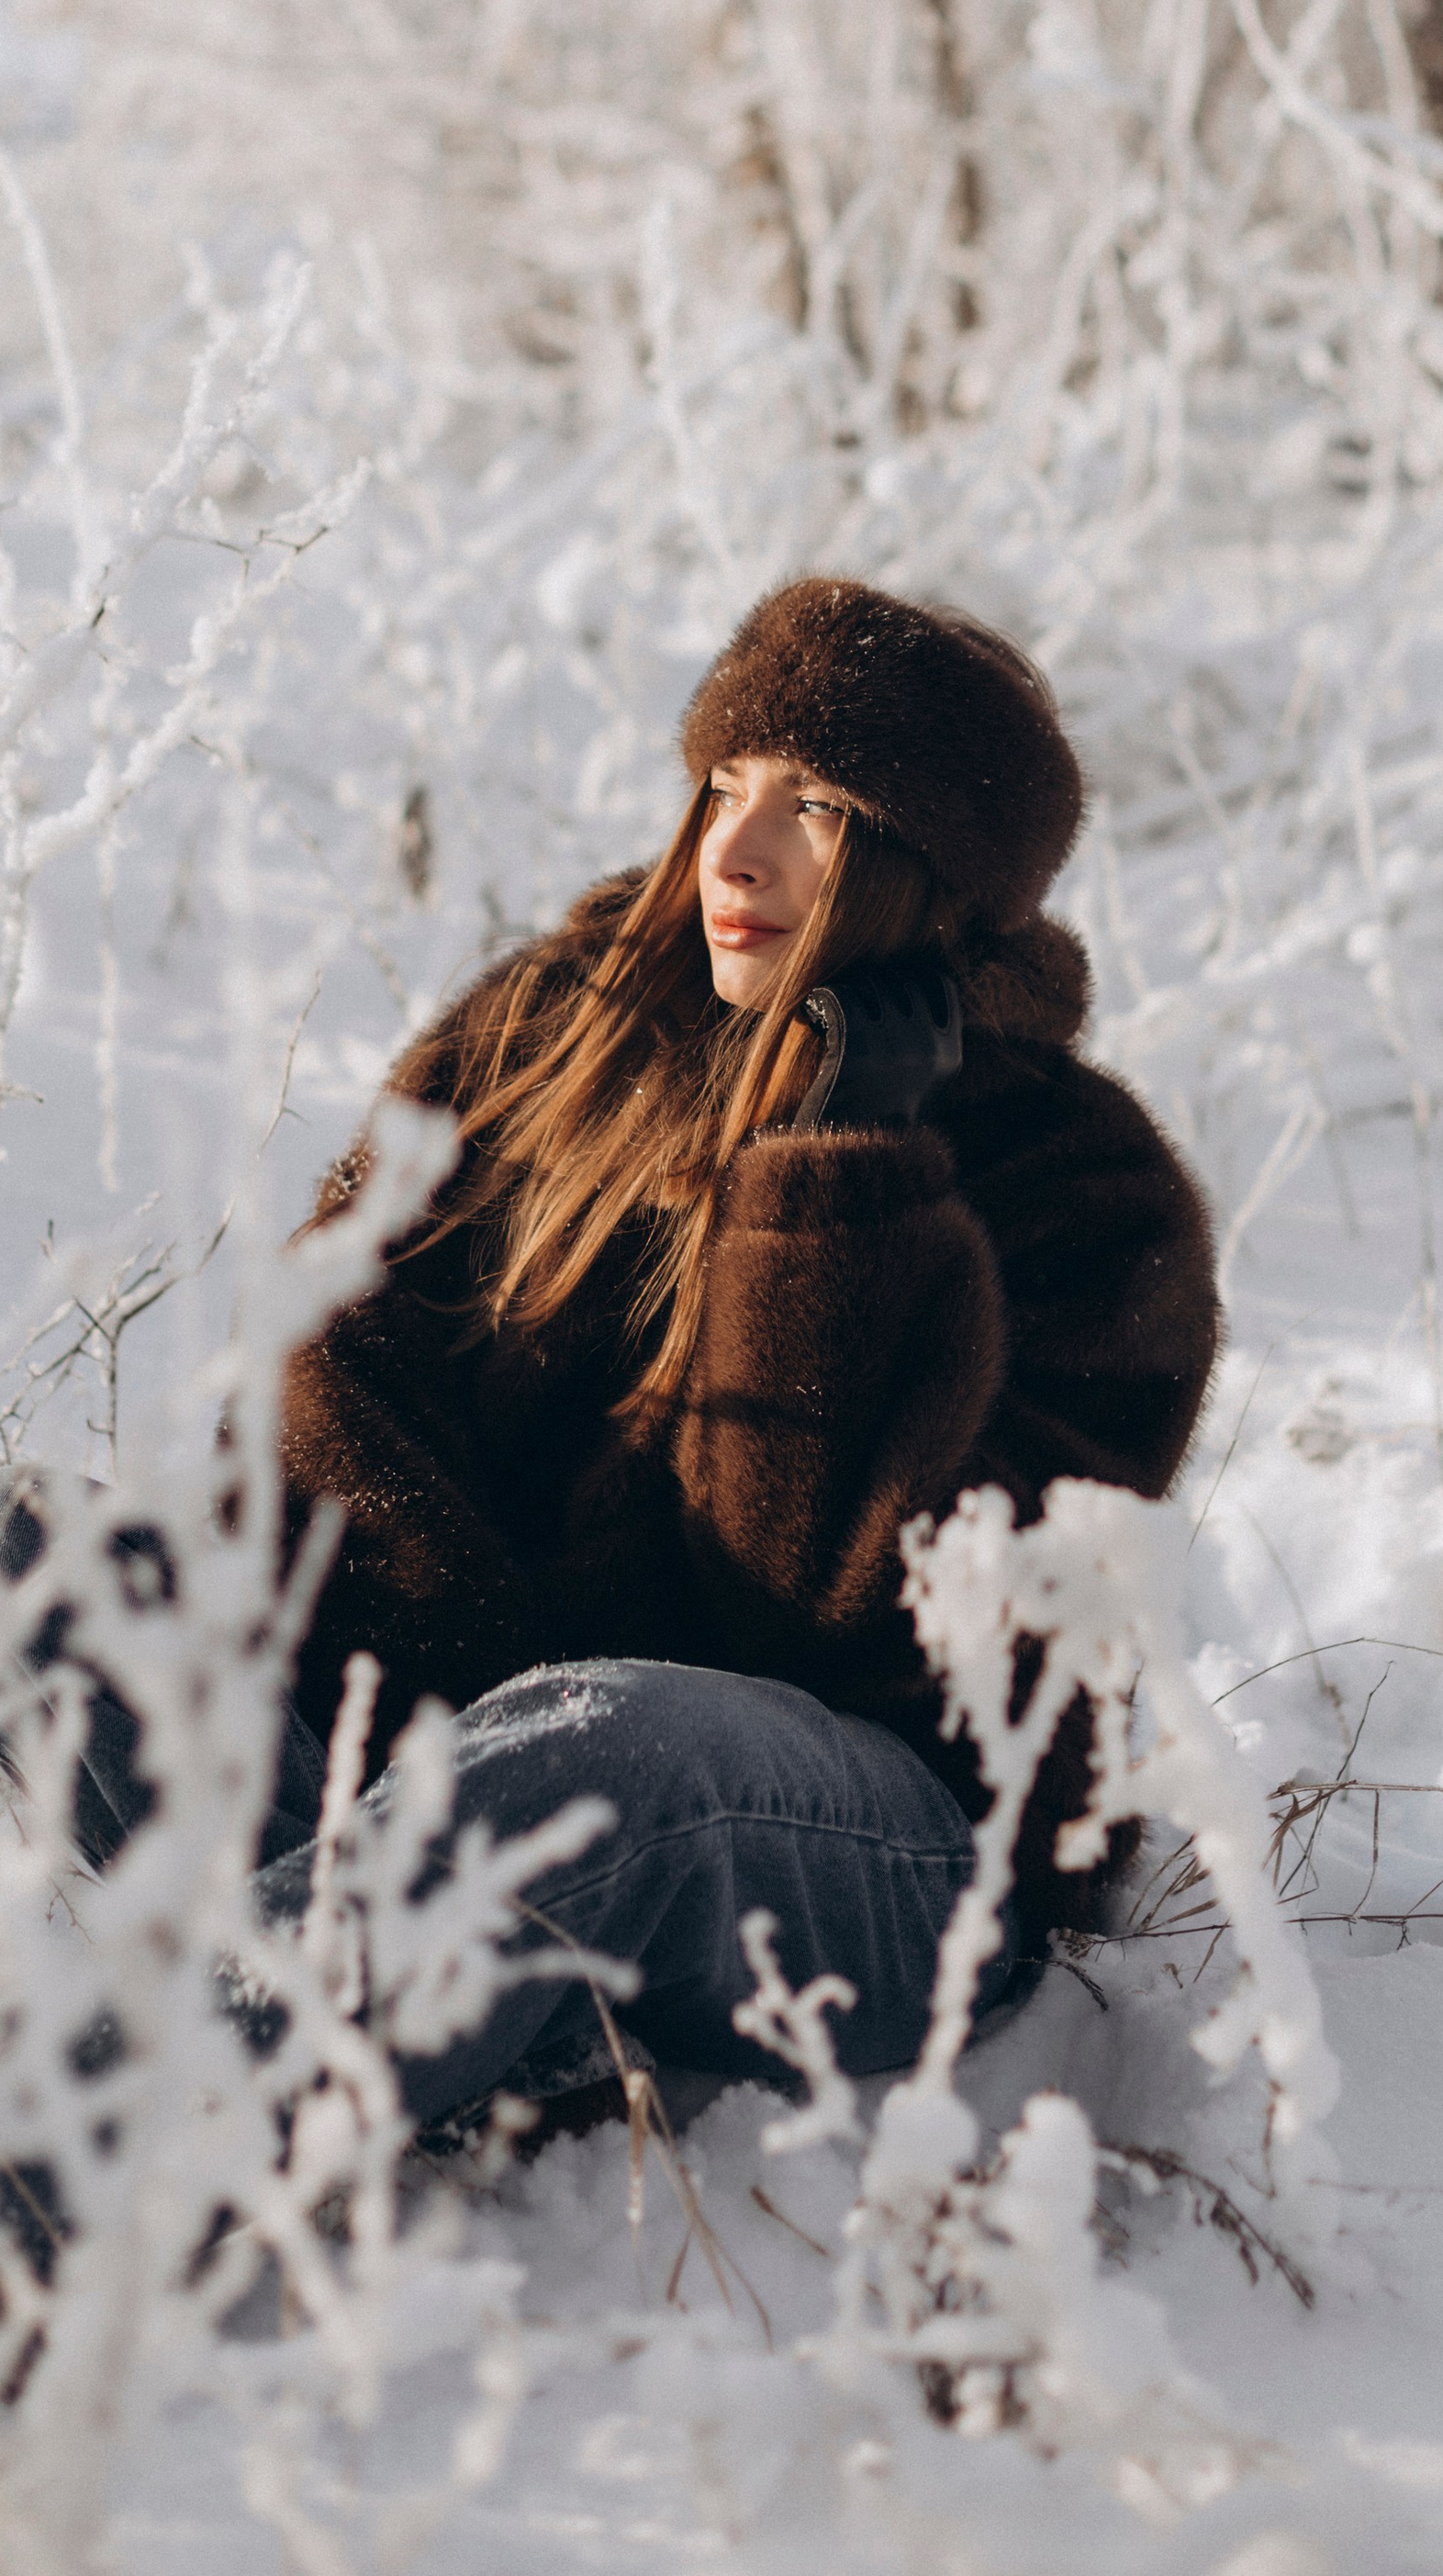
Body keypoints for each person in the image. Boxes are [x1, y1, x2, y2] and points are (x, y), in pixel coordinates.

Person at [271, 577, 1221, 2134]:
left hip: (889, 1858)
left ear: (942, 873)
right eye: (726, 784)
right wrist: (458, 1733)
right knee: (40, 1557)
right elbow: (339, 1378)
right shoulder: (544, 1040)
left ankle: (22, 2176)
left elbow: (842, 1610)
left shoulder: (1085, 1193)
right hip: (481, 1757)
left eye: (822, 805)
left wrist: (836, 1176)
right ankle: (427, 1974)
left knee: (622, 1740)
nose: (736, 849)